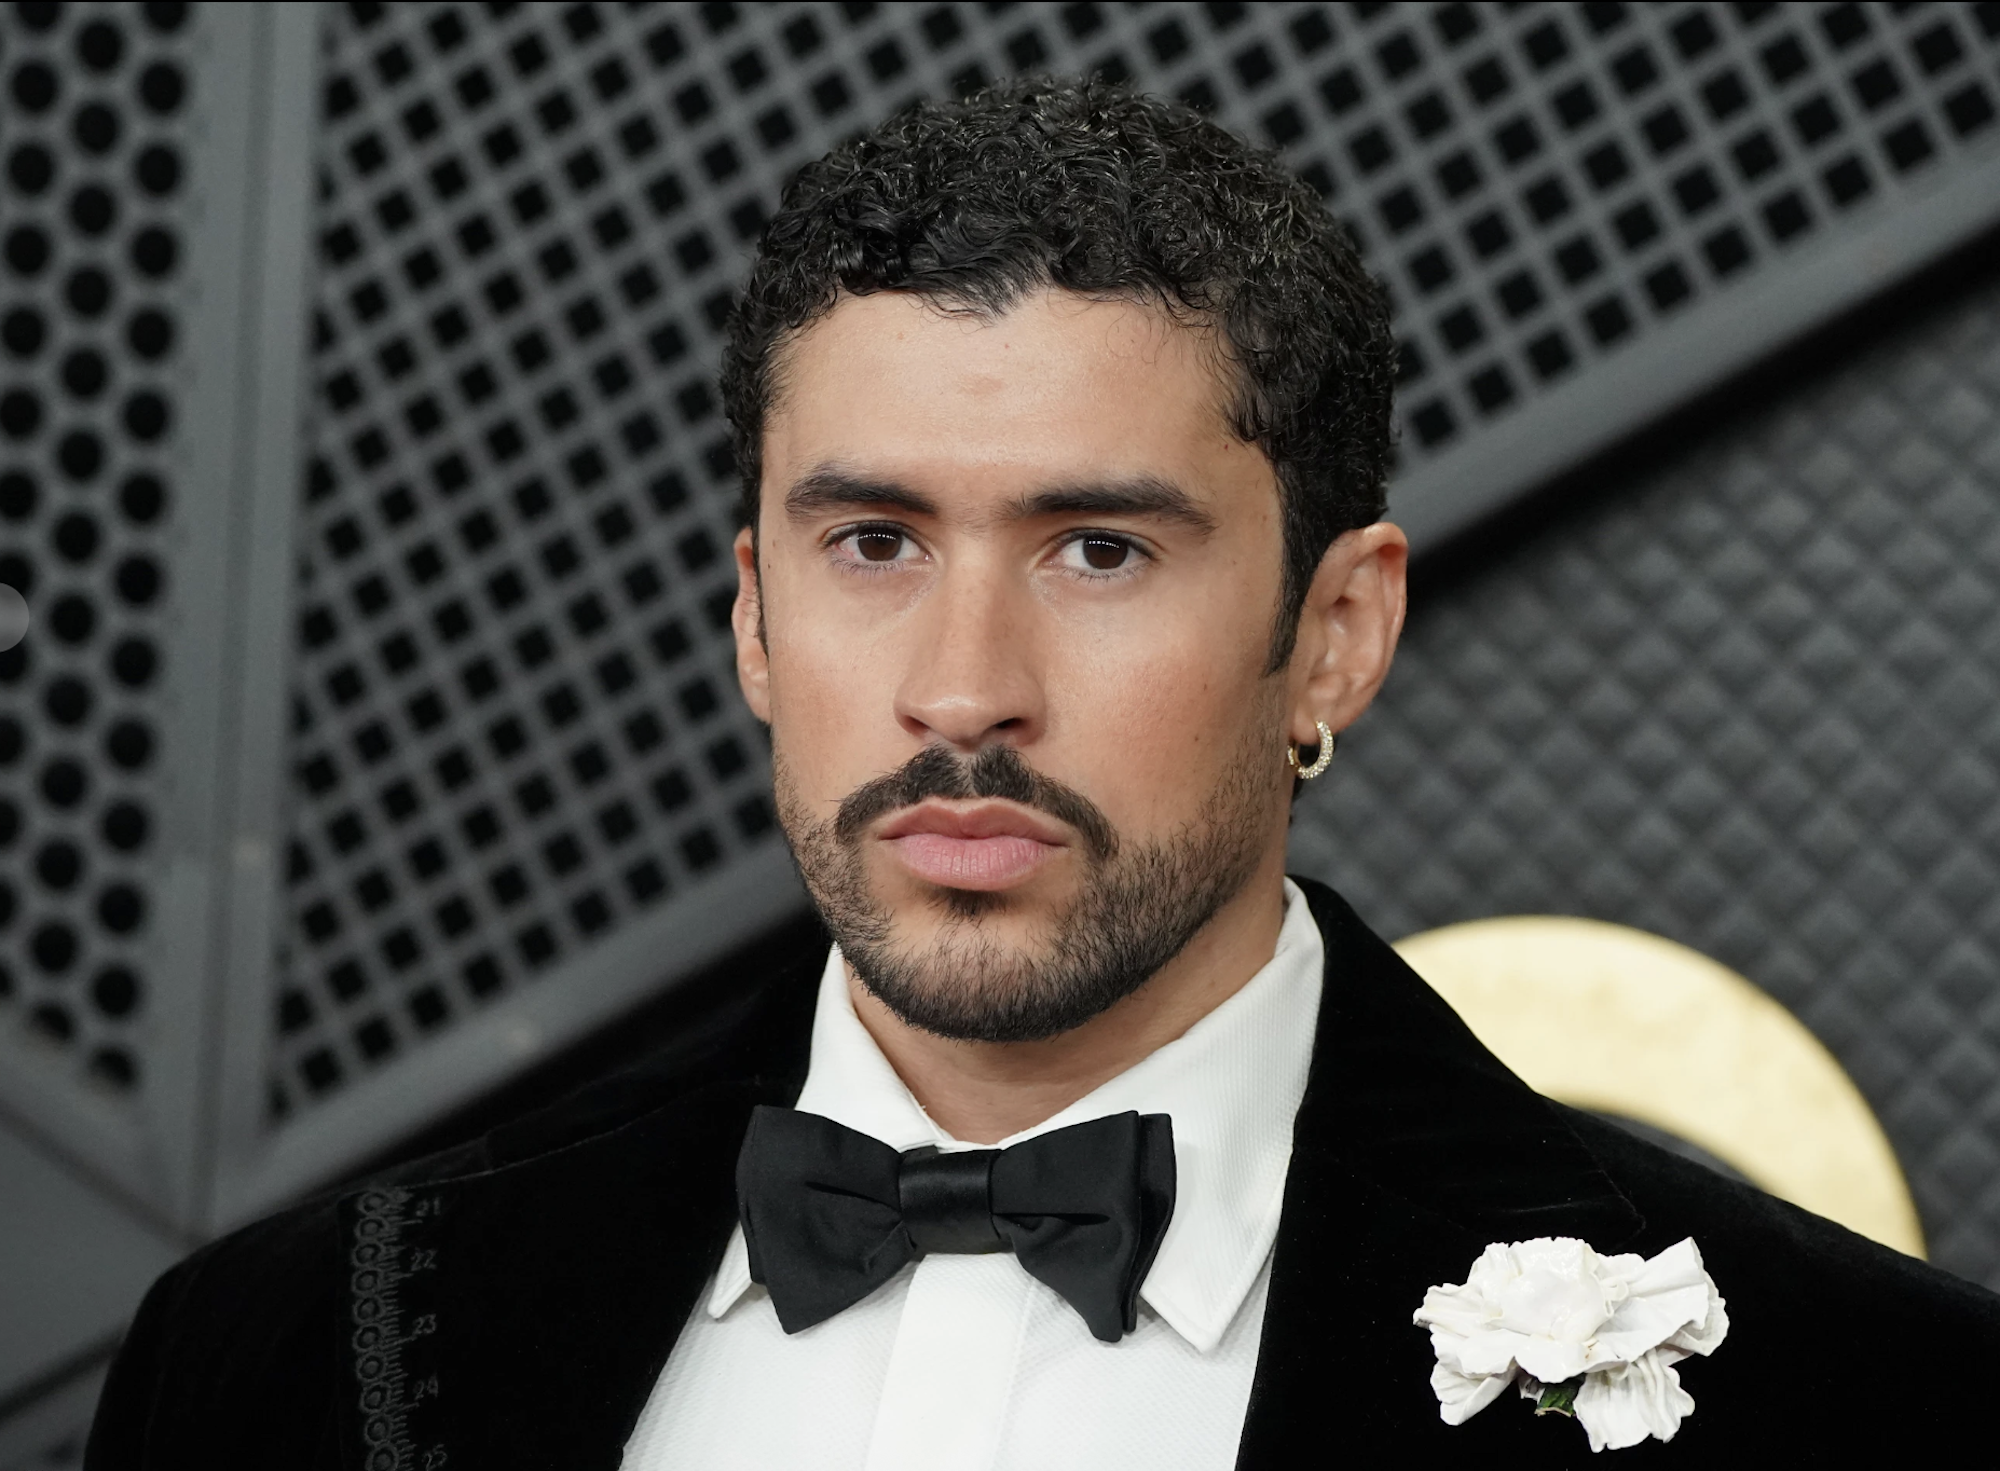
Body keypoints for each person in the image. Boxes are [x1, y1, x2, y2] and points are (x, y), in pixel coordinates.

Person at [87, 77, 2000, 1471]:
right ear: (755, 619)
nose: (960, 691)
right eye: (873, 544)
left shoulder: (1857, 1406)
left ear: (1336, 629)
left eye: (1099, 550)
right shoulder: (279, 1363)